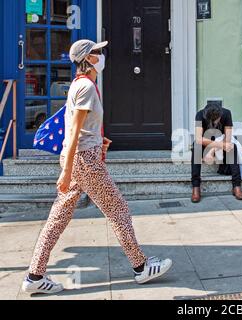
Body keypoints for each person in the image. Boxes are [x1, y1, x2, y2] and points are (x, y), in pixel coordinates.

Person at [22, 40, 172, 295]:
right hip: (84, 160)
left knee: (58, 218)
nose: (102, 55)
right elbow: (73, 131)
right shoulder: (85, 87)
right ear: (88, 59)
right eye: (97, 52)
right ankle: (141, 267)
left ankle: (35, 276)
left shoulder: (81, 85)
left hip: (83, 156)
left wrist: (97, 140)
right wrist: (67, 170)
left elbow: (80, 127)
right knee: (118, 210)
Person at [191, 103, 242, 203]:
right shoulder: (199, 115)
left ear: (220, 116)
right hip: (206, 145)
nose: (213, 123)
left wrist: (212, 151)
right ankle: (196, 187)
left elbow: (228, 139)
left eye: (215, 120)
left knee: (232, 147)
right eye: (210, 120)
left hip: (221, 144)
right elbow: (199, 139)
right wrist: (212, 148)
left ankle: (236, 186)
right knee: (196, 146)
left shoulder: (226, 113)